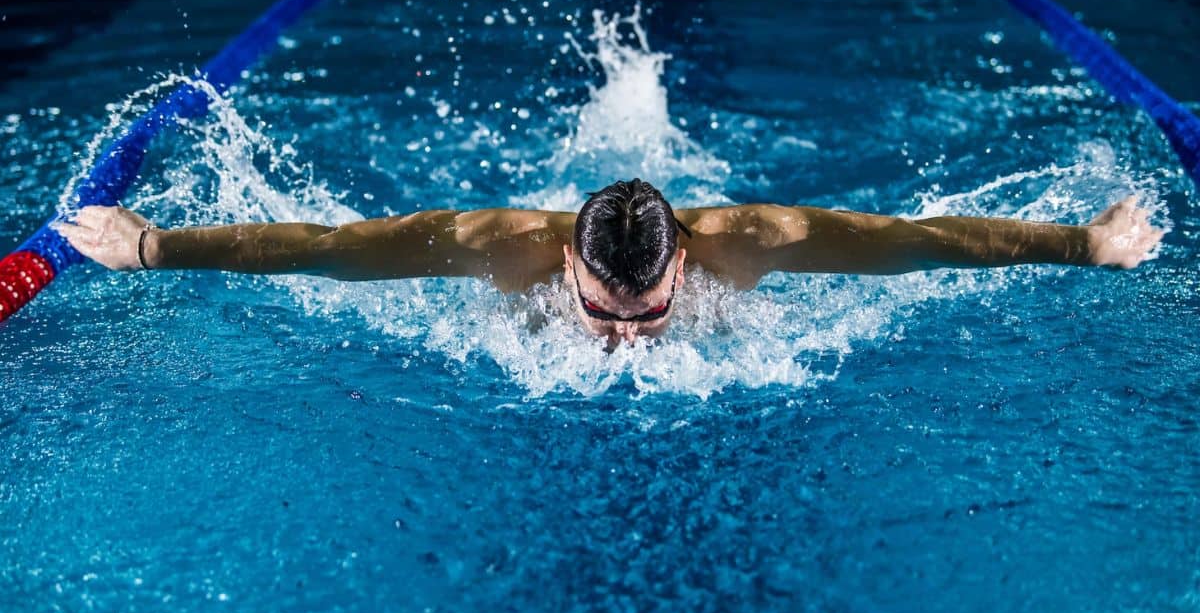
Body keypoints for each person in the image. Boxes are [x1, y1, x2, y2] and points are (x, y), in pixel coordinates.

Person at [55, 178, 1163, 348]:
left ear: (686, 257)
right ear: (566, 266)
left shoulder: (757, 242)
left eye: (644, 314)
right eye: (601, 310)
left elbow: (925, 243)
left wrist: (1086, 245)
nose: (620, 339)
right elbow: (330, 252)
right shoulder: (500, 250)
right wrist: (152, 247)